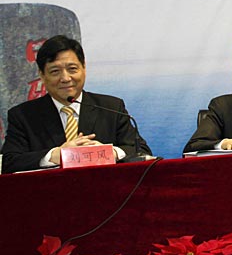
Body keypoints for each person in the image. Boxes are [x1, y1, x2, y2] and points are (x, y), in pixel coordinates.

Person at [1, 35, 151, 174]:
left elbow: (142, 151)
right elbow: (9, 162)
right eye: (55, 71)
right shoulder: (23, 115)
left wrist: (109, 153)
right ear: (42, 75)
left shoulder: (111, 107)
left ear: (83, 68)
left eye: (72, 69)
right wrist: (55, 155)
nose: (65, 78)